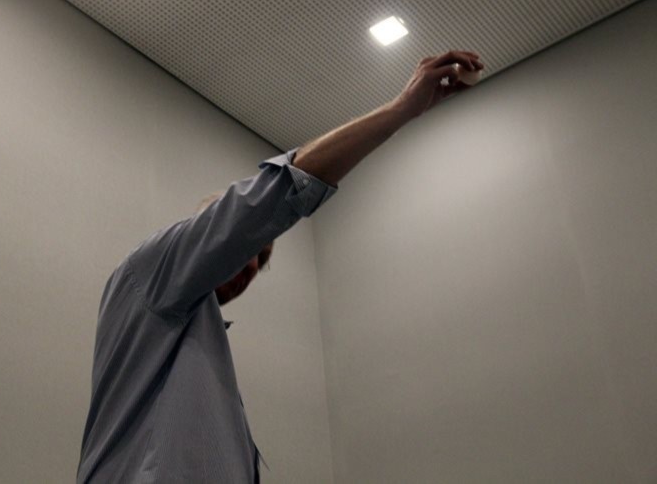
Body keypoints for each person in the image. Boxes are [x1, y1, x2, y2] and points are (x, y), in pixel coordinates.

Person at [76, 51, 485, 483]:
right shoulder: (151, 274)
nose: (252, 267)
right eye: (250, 247)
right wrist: (402, 108)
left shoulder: (196, 350)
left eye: (262, 260)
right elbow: (273, 197)